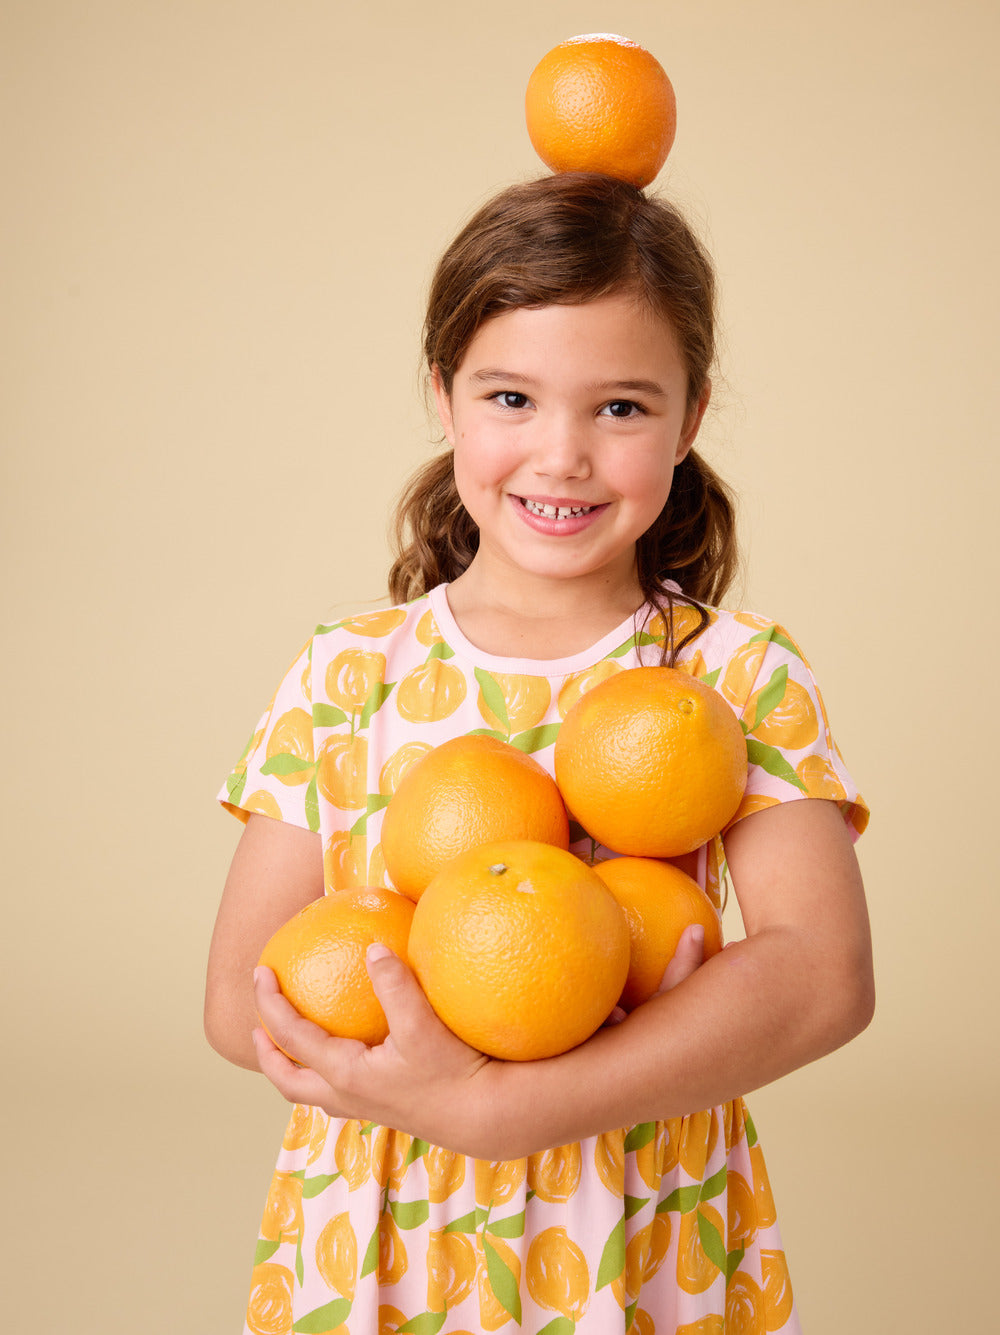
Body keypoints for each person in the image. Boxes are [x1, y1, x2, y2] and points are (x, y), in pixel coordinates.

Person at [205, 172, 873, 1335]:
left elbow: (822, 976)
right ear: (443, 395)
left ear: (691, 417)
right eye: (510, 397)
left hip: (632, 1217)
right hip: (390, 1225)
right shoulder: (346, 673)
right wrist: (438, 1073)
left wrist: (521, 1102)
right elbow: (237, 1000)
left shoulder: (733, 678)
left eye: (620, 408)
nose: (561, 456)